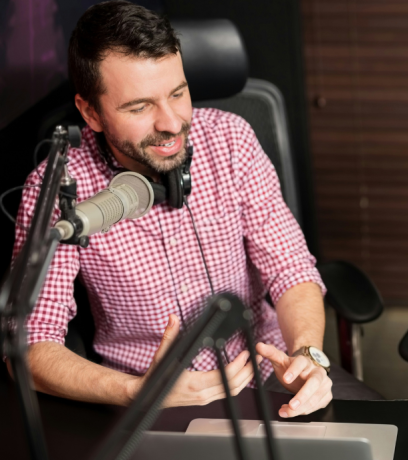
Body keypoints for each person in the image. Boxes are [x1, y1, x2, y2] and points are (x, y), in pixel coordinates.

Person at [7, 0, 379, 414]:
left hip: (269, 377)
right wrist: (137, 391)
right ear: (91, 113)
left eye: (178, 93)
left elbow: (290, 269)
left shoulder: (231, 140)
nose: (171, 122)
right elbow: (29, 344)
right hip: (149, 399)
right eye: (140, 106)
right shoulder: (60, 185)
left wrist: (307, 354)